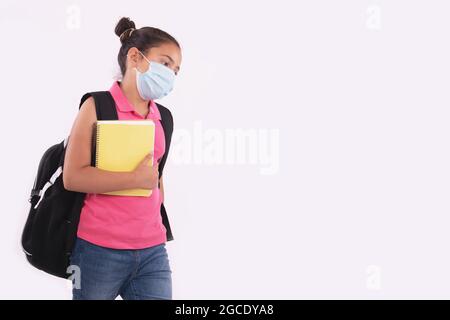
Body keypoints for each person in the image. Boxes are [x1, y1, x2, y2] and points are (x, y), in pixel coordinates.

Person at [62, 16, 182, 300]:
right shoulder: (96, 105)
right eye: (165, 64)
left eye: (176, 70)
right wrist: (134, 179)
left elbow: (156, 174)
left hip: (153, 250)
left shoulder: (163, 117)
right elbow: (73, 176)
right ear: (135, 58)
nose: (172, 75)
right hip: (98, 251)